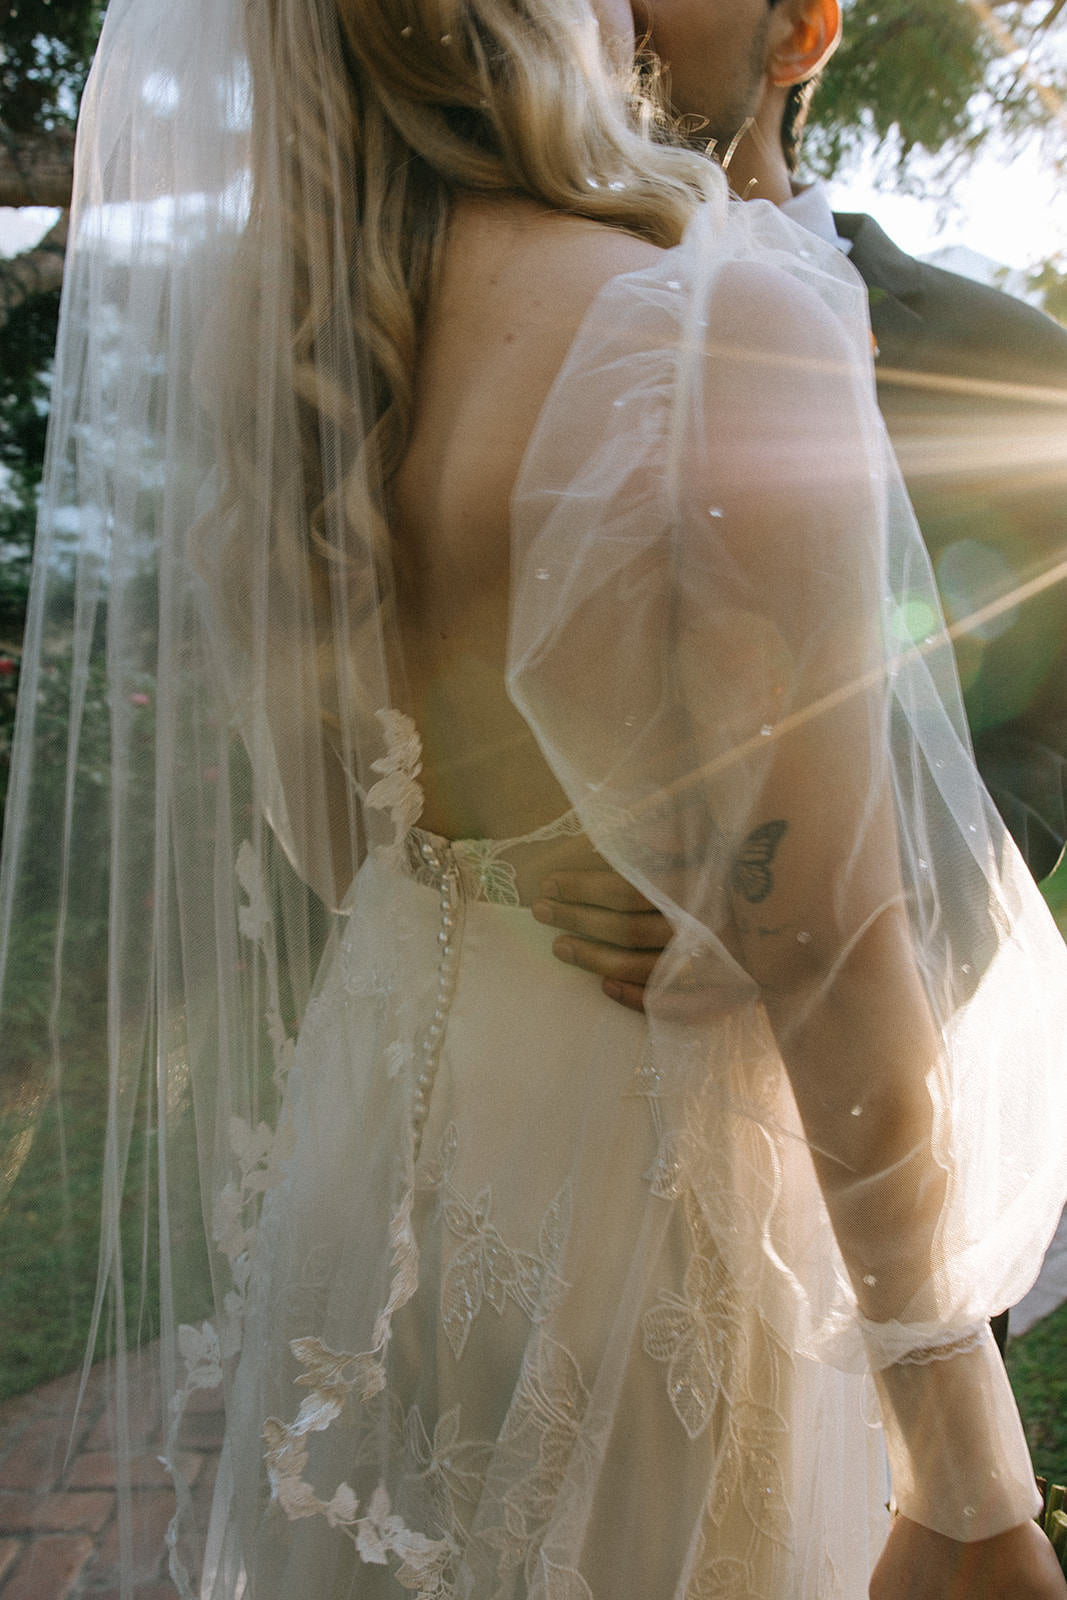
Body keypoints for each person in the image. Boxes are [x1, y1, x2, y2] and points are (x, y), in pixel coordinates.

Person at [1, 2, 1066, 1599]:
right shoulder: (715, 309)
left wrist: (505, 872)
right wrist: (967, 1476)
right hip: (644, 1167)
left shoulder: (295, 374)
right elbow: (833, 945)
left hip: (384, 1151)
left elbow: (336, 827)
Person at [537, 0, 1067, 1011]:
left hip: (880, 1035)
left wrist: (852, 911)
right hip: (546, 1026)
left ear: (800, 34)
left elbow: (1049, 726)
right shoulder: (494, 338)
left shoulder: (1008, 367)